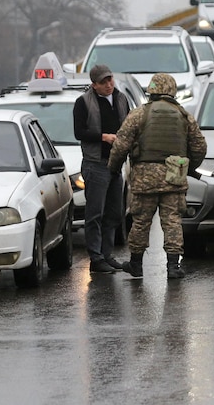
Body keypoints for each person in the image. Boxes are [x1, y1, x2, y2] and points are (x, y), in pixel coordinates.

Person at [108, 73, 207, 279]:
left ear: (151, 91)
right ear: (172, 90)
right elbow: (199, 147)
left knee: (141, 221)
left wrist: (114, 167)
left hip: (145, 178)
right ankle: (173, 267)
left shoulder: (139, 114)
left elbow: (121, 144)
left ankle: (136, 264)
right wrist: (188, 166)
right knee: (172, 221)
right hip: (174, 176)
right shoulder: (184, 115)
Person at [73, 64, 131, 274]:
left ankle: (107, 255)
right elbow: (78, 132)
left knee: (114, 212)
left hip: (116, 163)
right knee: (95, 213)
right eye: (103, 82)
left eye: (110, 80)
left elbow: (130, 124)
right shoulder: (83, 102)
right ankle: (96, 258)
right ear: (94, 85)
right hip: (96, 164)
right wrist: (102, 137)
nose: (109, 85)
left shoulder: (121, 98)